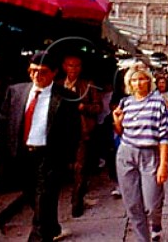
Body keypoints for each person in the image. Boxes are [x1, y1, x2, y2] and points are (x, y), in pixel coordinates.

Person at [0, 51, 81, 241]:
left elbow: (73, 131)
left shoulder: (66, 97)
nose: (37, 76)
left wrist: (67, 160)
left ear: (55, 72)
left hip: (49, 159)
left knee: (43, 206)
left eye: (43, 71)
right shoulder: (16, 91)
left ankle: (40, 234)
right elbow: (2, 122)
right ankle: (52, 226)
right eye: (33, 71)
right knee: (35, 199)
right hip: (21, 156)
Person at [112, 65, 168, 242]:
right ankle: (142, 239)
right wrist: (117, 122)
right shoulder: (125, 102)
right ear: (129, 83)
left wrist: (163, 164)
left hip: (150, 155)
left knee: (152, 203)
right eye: (134, 80)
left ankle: (156, 223)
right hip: (126, 153)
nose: (138, 83)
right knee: (132, 204)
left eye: (142, 79)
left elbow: (165, 136)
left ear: (149, 81)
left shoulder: (158, 102)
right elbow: (121, 131)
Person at [58, 53, 102, 218]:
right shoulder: (57, 85)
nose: (74, 69)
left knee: (80, 167)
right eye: (70, 65)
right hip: (61, 132)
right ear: (64, 67)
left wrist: (84, 108)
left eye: (77, 66)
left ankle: (76, 202)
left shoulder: (88, 85)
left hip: (82, 131)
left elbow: (98, 107)